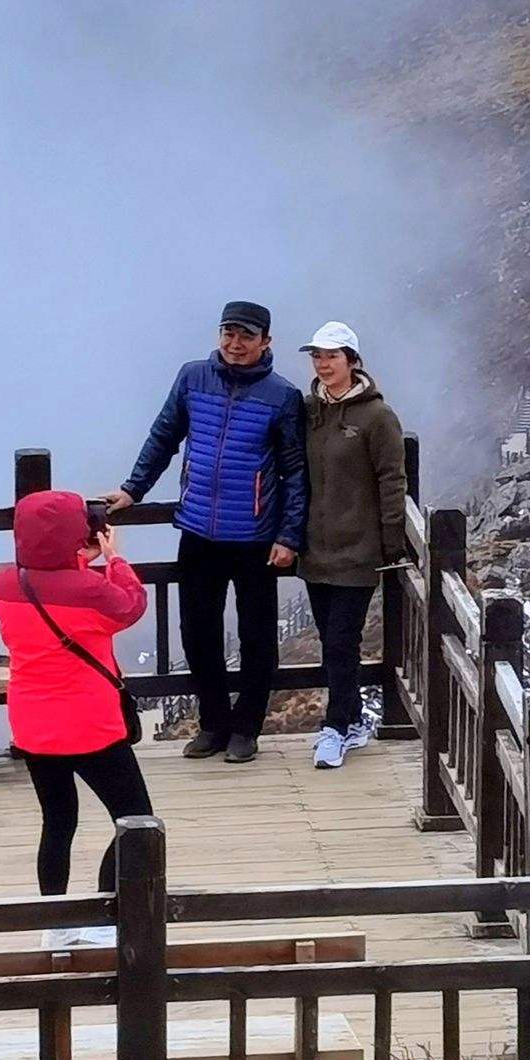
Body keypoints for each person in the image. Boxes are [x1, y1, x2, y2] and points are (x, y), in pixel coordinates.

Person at [105, 300, 306, 764]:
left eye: (247, 336)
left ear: (266, 342)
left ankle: (247, 730)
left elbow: (295, 471)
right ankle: (213, 724)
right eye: (228, 333)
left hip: (256, 535)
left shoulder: (283, 395)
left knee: (257, 637)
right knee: (197, 633)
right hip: (198, 530)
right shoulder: (192, 377)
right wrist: (133, 489)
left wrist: (289, 536)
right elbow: (164, 435)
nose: (235, 344)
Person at [0, 489, 151, 939]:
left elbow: (54, 585)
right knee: (136, 820)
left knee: (59, 821)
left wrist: (77, 558)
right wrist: (114, 559)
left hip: (33, 724)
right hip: (89, 725)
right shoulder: (91, 591)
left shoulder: (7, 585)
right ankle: (106, 913)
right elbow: (130, 604)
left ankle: (55, 923)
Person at [297, 319, 407, 770]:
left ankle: (336, 727)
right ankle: (355, 719)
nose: (323, 364)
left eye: (332, 356)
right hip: (315, 549)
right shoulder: (309, 411)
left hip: (358, 550)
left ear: (352, 361)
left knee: (342, 641)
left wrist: (392, 542)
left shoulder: (377, 417)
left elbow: (392, 479)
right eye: (317, 356)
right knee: (331, 640)